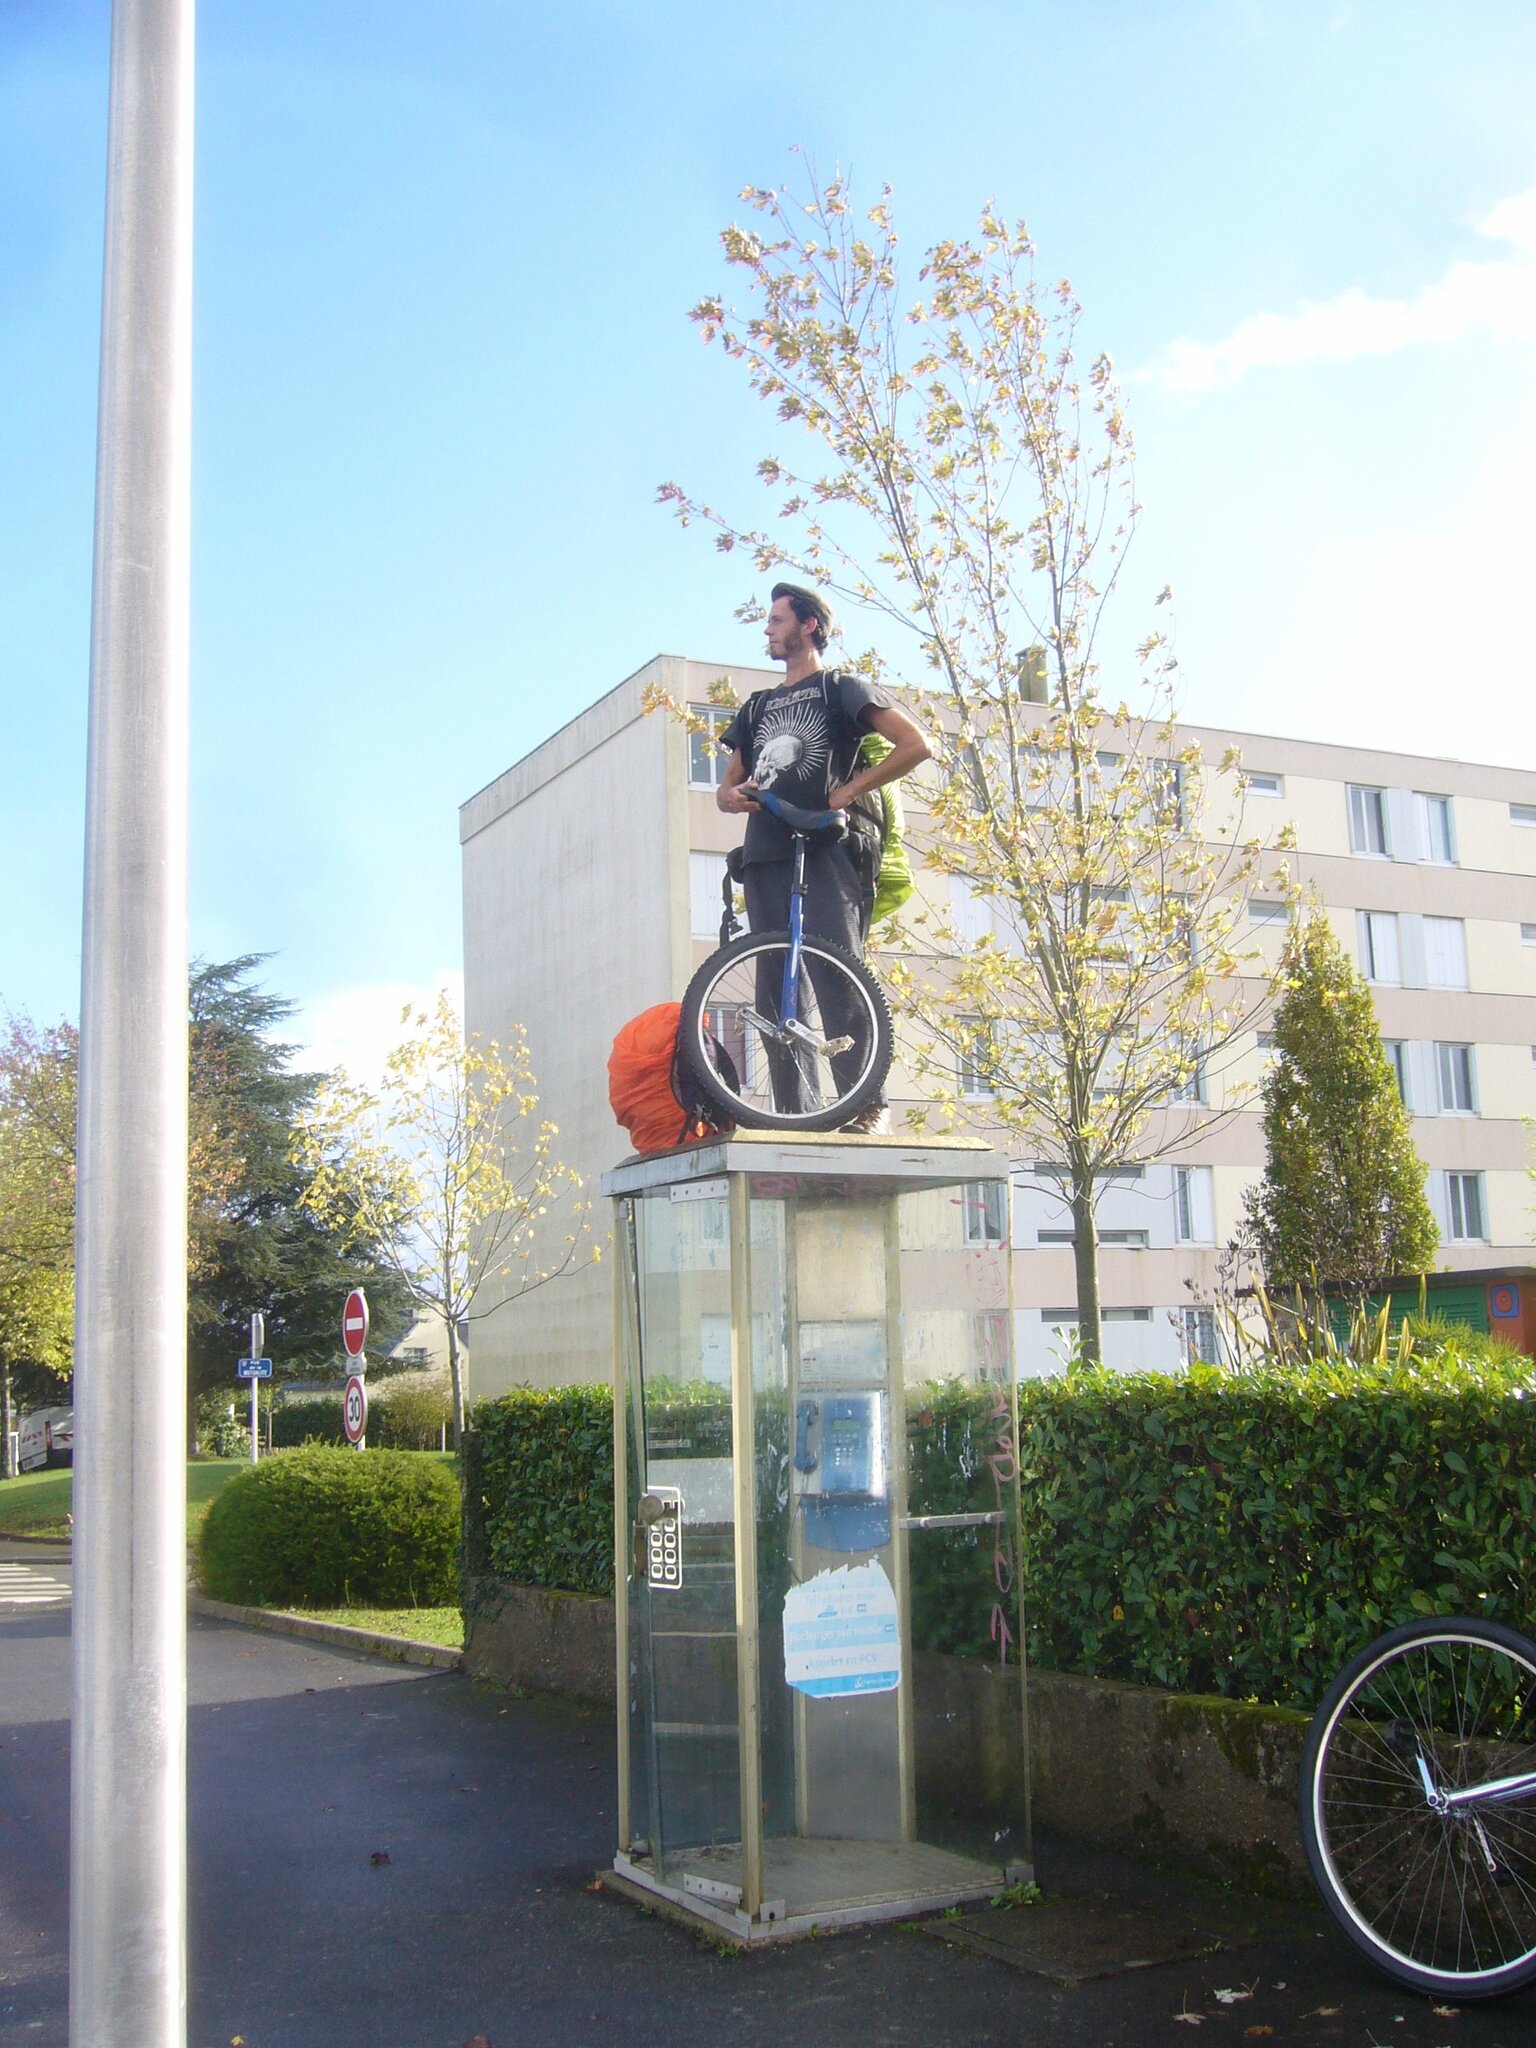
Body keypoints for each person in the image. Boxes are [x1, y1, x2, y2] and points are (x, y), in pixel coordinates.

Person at [717, 582, 930, 1129]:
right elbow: (726, 789)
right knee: (774, 990)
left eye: (777, 619)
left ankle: (865, 1104)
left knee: (838, 974)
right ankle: (793, 1114)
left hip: (829, 848)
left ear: (809, 625)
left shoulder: (841, 689)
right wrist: (732, 796)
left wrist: (852, 789)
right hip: (766, 853)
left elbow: (915, 744)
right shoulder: (758, 706)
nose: (767, 628)